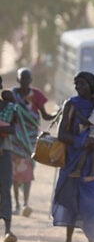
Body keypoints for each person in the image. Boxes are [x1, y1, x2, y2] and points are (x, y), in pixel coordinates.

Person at [53, 72, 94, 242]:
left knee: (90, 202)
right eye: (76, 84)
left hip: (92, 163)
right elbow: (62, 134)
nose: (79, 87)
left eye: (83, 84)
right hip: (73, 158)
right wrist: (82, 141)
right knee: (71, 201)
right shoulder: (71, 104)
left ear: (92, 85)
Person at [11, 67, 57, 217]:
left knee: (27, 170)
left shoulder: (36, 94)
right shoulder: (12, 94)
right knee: (14, 172)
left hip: (30, 138)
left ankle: (26, 203)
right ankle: (17, 204)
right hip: (15, 137)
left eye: (27, 79)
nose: (25, 82)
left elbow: (45, 116)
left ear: (31, 80)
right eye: (22, 79)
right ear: (18, 80)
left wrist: (58, 113)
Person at [0, 80, 19, 242]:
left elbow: (13, 129)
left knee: (5, 187)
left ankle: (7, 230)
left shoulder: (9, 107)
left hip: (5, 151)